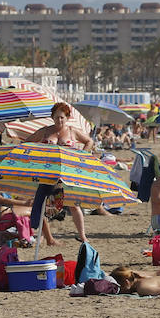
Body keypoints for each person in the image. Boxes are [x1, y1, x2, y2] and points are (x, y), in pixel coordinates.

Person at [24, 103, 93, 242]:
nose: (59, 120)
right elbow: (27, 142)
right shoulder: (45, 131)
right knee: (42, 202)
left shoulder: (72, 131)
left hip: (68, 171)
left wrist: (81, 157)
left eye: (62, 117)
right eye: (56, 117)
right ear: (52, 117)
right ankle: (46, 237)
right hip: (48, 171)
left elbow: (89, 141)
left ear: (67, 117)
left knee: (73, 204)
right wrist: (38, 155)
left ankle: (83, 235)